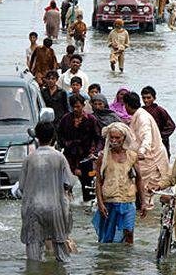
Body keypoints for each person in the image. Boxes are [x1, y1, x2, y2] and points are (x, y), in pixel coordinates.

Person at [19, 122, 75, 262]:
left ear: (37, 137)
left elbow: (21, 187)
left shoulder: (29, 158)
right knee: (61, 251)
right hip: (55, 208)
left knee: (33, 253)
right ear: (53, 137)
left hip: (33, 208)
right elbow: (69, 182)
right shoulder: (60, 157)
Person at [92, 122, 147, 243]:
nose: (114, 140)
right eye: (111, 137)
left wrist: (143, 202)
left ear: (124, 138)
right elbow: (99, 182)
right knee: (108, 236)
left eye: (117, 137)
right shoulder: (103, 157)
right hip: (109, 201)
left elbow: (139, 179)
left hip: (128, 200)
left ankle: (128, 258)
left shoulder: (132, 156)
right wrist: (100, 204)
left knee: (128, 231)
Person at [123, 92, 170, 209]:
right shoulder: (138, 115)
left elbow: (146, 137)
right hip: (144, 159)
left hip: (151, 159)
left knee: (147, 191)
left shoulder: (142, 118)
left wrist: (142, 151)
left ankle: (146, 218)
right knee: (139, 189)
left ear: (127, 105)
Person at [57, 94, 103, 202]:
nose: (75, 109)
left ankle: (87, 205)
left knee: (88, 185)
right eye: (73, 106)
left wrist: (95, 153)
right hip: (69, 155)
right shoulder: (65, 119)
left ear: (83, 105)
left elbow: (99, 138)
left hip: (86, 156)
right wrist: (65, 144)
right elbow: (59, 135)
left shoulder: (91, 120)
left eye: (78, 106)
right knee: (65, 184)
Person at [141, 86, 176, 159]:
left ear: (154, 98)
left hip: (161, 143)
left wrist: (160, 136)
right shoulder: (141, 111)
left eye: (148, 97)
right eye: (144, 98)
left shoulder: (160, 110)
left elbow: (171, 126)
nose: (146, 100)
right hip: (146, 142)